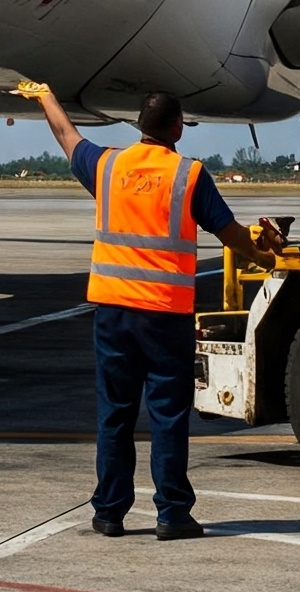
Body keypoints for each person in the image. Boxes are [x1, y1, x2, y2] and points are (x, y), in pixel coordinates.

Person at [28, 85, 281, 539]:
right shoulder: (188, 175)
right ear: (177, 128)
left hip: (114, 314)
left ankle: (109, 512)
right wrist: (268, 256)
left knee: (115, 415)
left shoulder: (106, 165)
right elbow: (231, 235)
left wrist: (45, 96)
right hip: (165, 315)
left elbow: (67, 137)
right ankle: (172, 514)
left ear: (139, 127)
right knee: (166, 416)